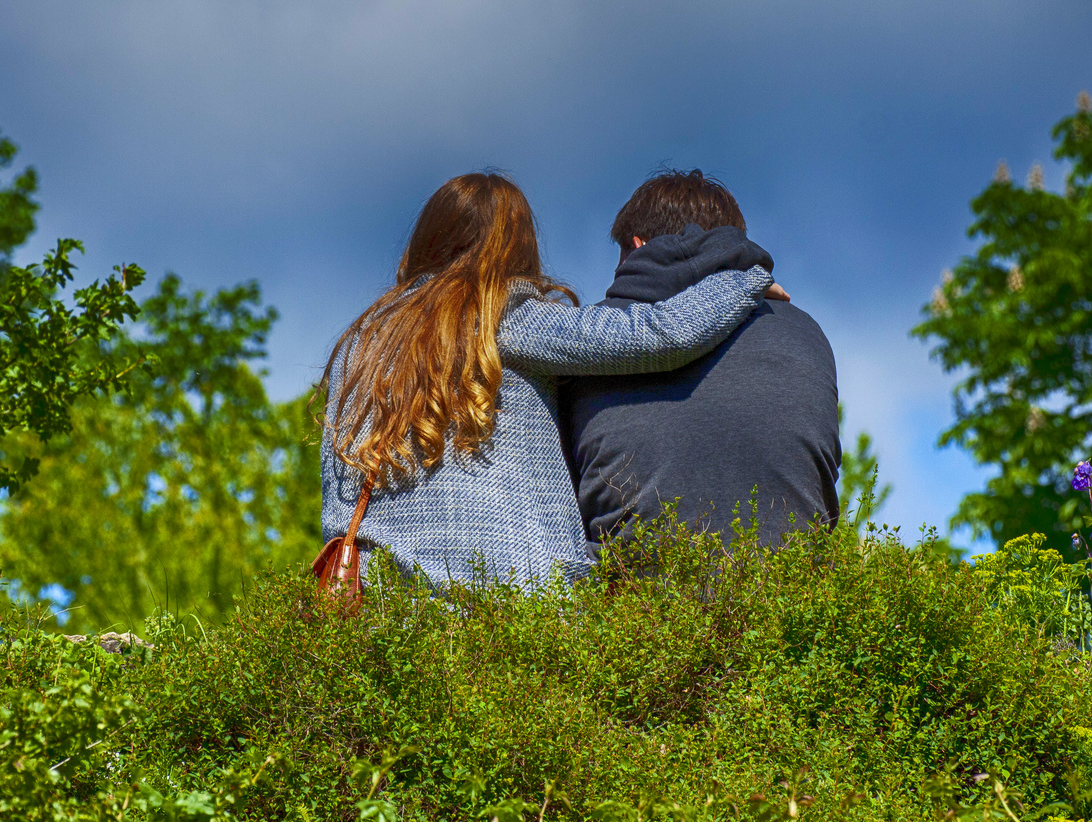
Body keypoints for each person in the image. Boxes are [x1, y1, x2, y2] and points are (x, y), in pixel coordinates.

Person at [319, 171, 783, 590]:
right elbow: (659, 334)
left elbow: (337, 495)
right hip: (506, 602)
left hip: (387, 611)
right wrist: (743, 281)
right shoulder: (506, 316)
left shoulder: (361, 344)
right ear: (517, 247)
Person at [560, 169, 841, 553]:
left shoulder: (587, 342)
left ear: (638, 247)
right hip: (790, 599)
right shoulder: (805, 333)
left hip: (631, 606)